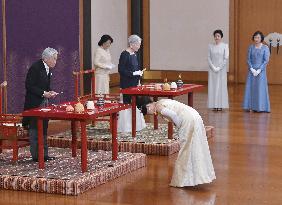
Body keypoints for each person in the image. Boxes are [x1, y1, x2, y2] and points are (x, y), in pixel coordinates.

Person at [141, 99, 216, 187]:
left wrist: (179, 125)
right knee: (196, 146)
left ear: (148, 106)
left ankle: (182, 181)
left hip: (188, 120)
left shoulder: (158, 106)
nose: (153, 113)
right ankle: (198, 176)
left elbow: (172, 115)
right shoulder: (162, 101)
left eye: (149, 111)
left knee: (185, 149)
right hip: (195, 116)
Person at [23, 47, 59, 162]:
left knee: (44, 128)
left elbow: (44, 85)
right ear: (46, 58)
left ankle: (44, 154)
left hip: (44, 101)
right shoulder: (35, 68)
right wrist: (44, 93)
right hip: (35, 103)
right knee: (35, 129)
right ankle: (36, 156)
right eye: (54, 59)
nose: (55, 62)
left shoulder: (48, 68)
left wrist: (50, 92)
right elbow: (29, 86)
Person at [117, 34, 146, 132]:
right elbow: (121, 70)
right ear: (132, 44)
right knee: (127, 104)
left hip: (134, 83)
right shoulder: (124, 54)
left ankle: (137, 126)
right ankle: (126, 127)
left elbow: (136, 68)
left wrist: (138, 76)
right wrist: (133, 73)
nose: (139, 46)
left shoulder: (134, 54)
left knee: (135, 103)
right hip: (126, 84)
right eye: (138, 44)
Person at [243, 31, 270, 112]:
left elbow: (266, 60)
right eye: (255, 37)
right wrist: (251, 69)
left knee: (260, 89)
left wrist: (259, 70)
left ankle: (261, 107)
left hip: (260, 72)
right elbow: (248, 59)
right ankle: (251, 107)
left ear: (261, 38)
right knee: (251, 89)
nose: (256, 39)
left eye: (258, 37)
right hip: (252, 71)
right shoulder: (251, 47)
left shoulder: (265, 47)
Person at [207, 29, 229, 111]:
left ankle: (220, 105)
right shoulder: (210, 46)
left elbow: (225, 58)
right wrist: (213, 67)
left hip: (221, 70)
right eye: (215, 36)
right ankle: (214, 105)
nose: (217, 37)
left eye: (218, 36)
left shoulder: (225, 46)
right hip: (212, 69)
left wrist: (219, 68)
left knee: (220, 87)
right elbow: (209, 58)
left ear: (221, 37)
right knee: (213, 86)